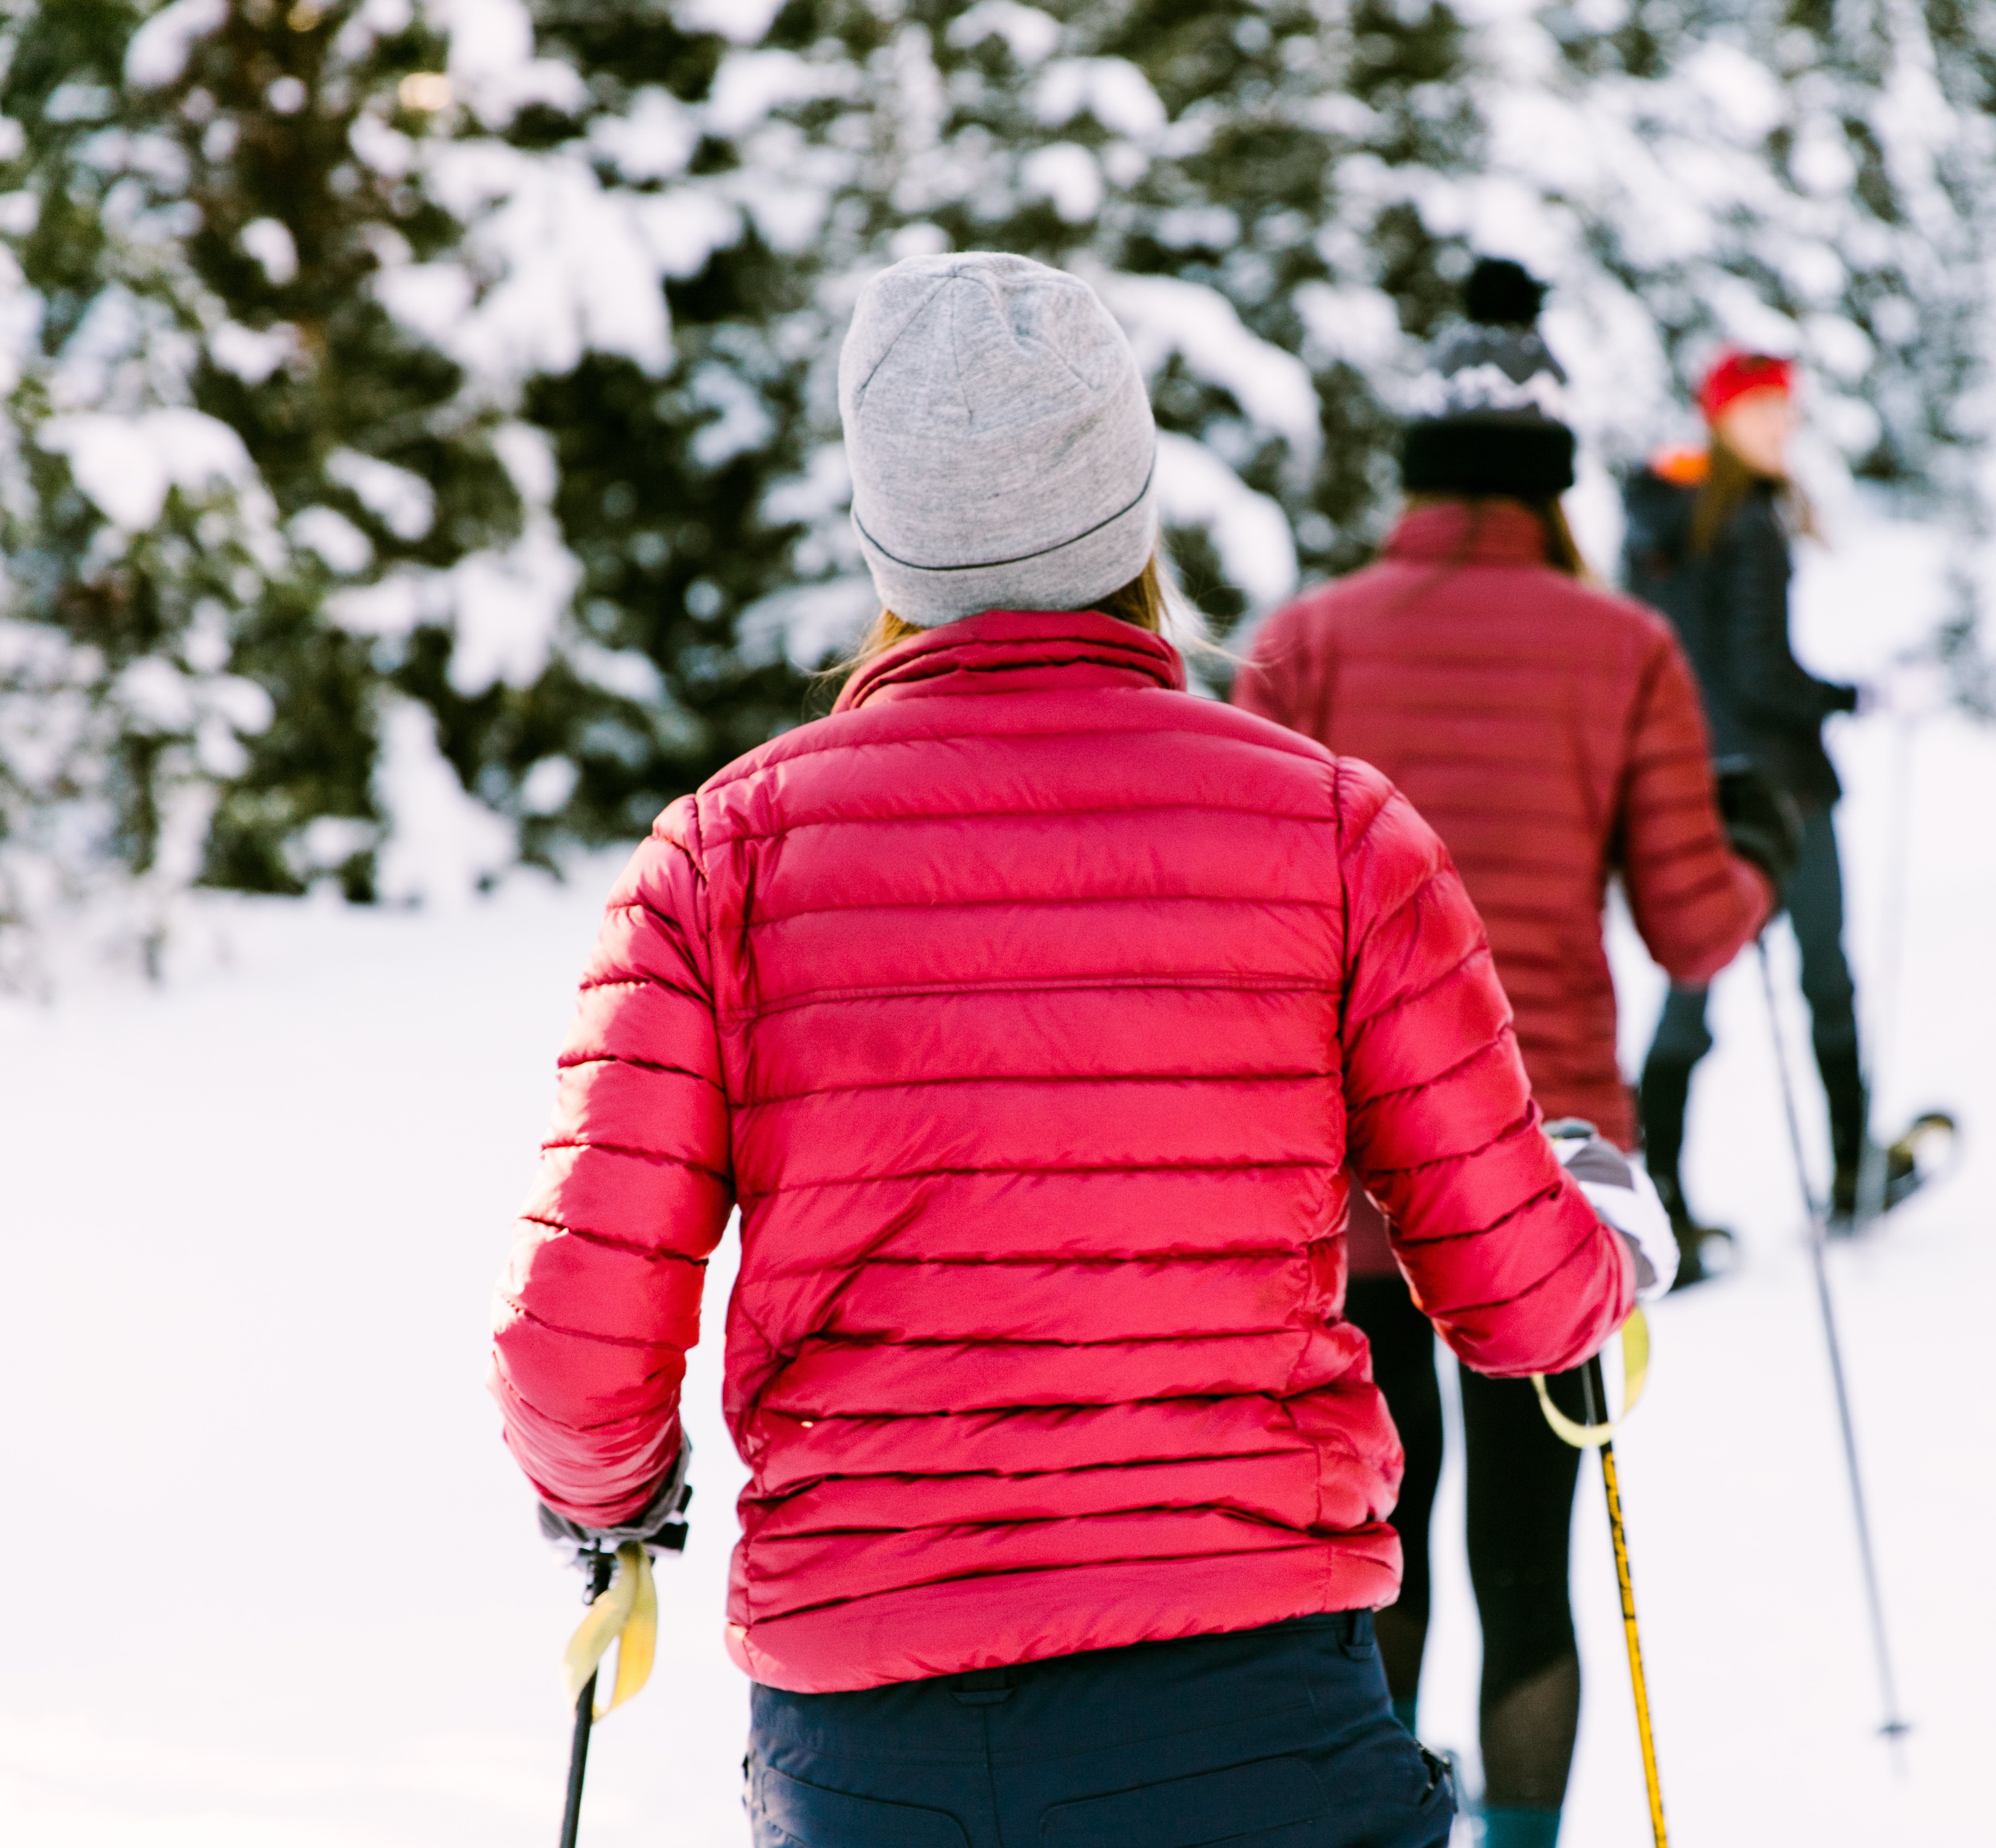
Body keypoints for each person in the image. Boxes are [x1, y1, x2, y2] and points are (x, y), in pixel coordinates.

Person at [487, 252, 1666, 1848]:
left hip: (878, 1747)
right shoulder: (1334, 828)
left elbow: (571, 1349)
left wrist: (617, 1492)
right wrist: (1611, 1237)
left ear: (886, 529)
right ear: (1133, 500)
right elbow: (1520, 1294)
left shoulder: (723, 857)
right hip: (1257, 1717)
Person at [1235, 258, 1783, 1848]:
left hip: (1342, 1191)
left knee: (1372, 1546)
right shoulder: (1623, 652)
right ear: (1551, 482)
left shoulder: (1310, 640)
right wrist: (1761, 835)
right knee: (1530, 1566)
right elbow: (1692, 931)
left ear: (1417, 471)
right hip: (1548, 1181)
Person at [1623, 351, 1875, 1242]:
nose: (1781, 427)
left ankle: (1655, 1188)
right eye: (1764, 411)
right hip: (1782, 787)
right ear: (1721, 418)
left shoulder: (1657, 513)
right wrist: (1851, 697)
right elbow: (1762, 673)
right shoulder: (1747, 519)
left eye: (1787, 412)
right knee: (1824, 975)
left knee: (1690, 976)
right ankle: (1854, 1169)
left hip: (1690, 784)